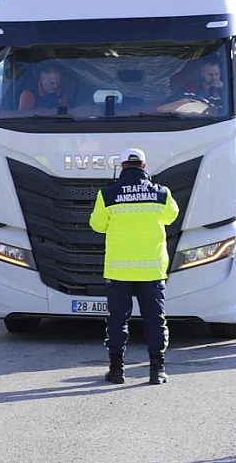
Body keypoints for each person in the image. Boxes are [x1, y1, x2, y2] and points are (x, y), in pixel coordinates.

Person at [88, 148, 180, 385]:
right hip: (152, 269)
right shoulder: (162, 193)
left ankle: (117, 371)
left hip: (119, 270)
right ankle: (157, 371)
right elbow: (171, 217)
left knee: (118, 320)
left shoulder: (107, 194)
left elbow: (97, 225)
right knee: (156, 320)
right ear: (144, 165)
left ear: (121, 167)